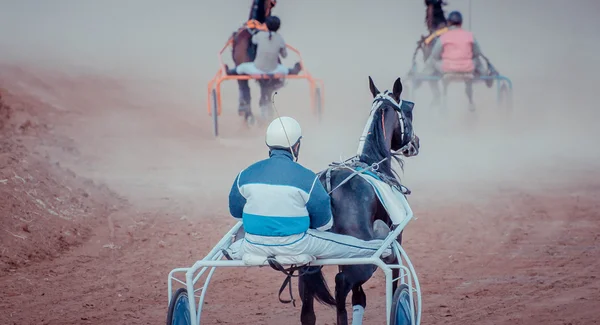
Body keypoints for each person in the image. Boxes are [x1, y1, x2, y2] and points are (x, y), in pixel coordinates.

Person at [222, 116, 392, 261]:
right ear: (296, 146)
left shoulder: (245, 174)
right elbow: (324, 224)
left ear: (269, 143)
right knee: (353, 246)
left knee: (234, 243)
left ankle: (234, 251)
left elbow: (236, 212)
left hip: (254, 246)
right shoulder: (307, 178)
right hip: (296, 245)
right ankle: (382, 247)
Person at [422, 10, 495, 88]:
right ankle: (486, 76)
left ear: (449, 23)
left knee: (432, 60)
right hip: (467, 69)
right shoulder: (469, 35)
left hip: (447, 69)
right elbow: (477, 52)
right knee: (477, 59)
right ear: (461, 23)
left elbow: (435, 54)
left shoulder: (444, 36)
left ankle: (421, 77)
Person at [225, 16, 302, 76]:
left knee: (242, 67)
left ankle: (230, 72)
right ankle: (294, 71)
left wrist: (261, 29)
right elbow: (284, 55)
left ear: (266, 25)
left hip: (257, 70)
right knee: (285, 69)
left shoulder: (260, 35)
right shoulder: (280, 38)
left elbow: (253, 41)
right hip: (274, 70)